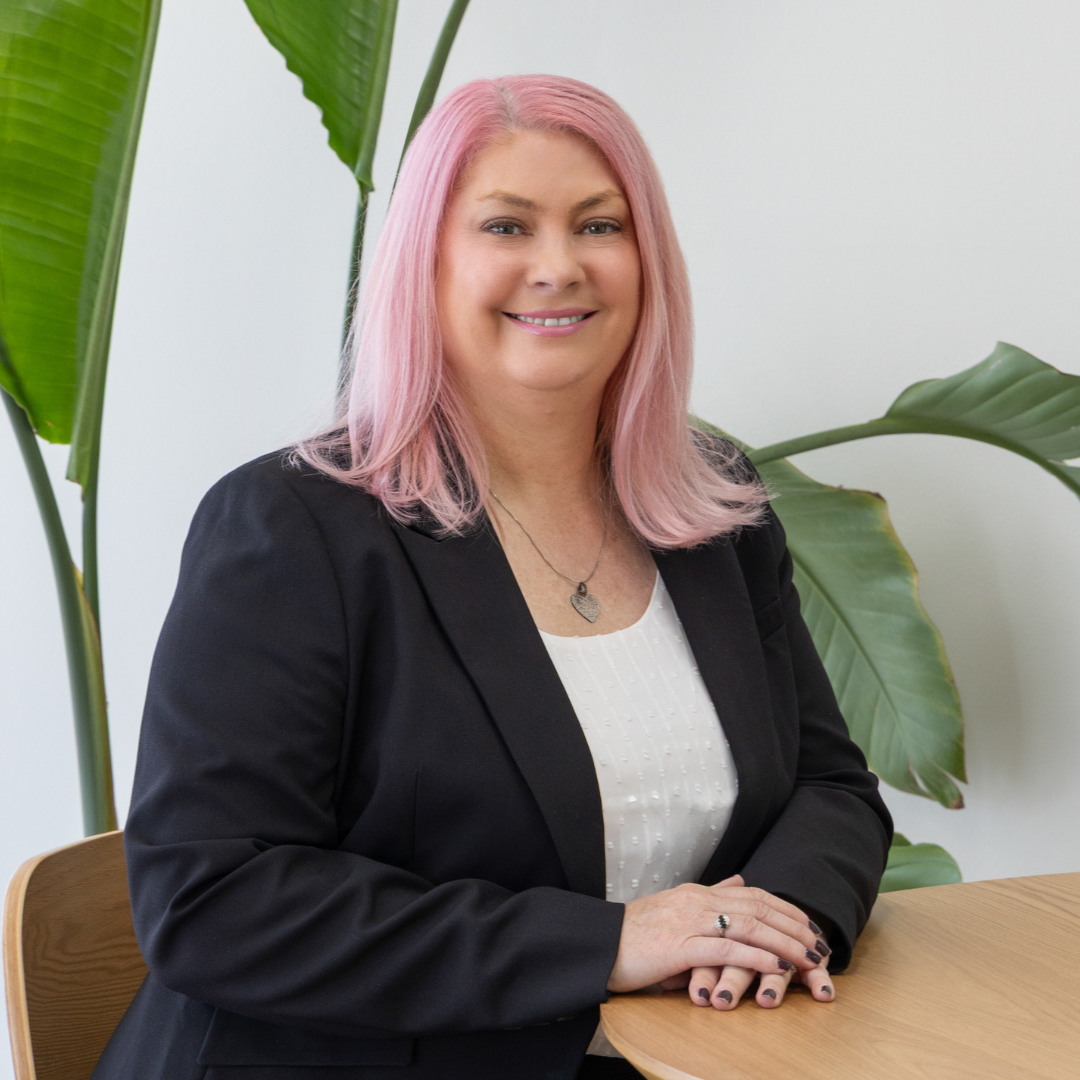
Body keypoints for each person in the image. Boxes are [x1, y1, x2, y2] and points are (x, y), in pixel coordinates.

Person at [92, 75, 891, 1080]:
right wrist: (610, 943)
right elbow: (212, 901)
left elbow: (829, 787)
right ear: (424, 265)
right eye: (506, 227)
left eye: (600, 225)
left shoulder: (713, 507)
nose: (558, 266)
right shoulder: (291, 528)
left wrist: (770, 926)